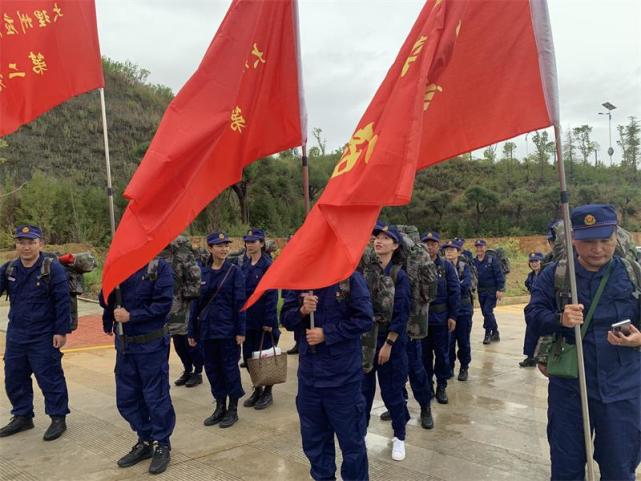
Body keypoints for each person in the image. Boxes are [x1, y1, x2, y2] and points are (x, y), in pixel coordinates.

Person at [525, 204, 641, 481]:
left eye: (605, 240)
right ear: (574, 240)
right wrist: (559, 319)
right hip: (570, 388)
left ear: (616, 237)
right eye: (589, 241)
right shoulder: (555, 275)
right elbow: (533, 313)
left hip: (622, 388)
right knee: (566, 469)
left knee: (619, 469)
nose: (598, 249)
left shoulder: (633, 273)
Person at [280, 271, 373, 481]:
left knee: (352, 444)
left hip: (342, 379)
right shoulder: (300, 279)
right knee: (315, 443)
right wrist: (302, 310)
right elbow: (286, 319)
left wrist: (327, 333)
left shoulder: (348, 278)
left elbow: (365, 319)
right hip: (310, 379)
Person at [99, 258, 176, 475]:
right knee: (127, 398)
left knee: (155, 397)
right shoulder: (119, 265)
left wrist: (132, 316)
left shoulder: (158, 268)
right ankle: (145, 439)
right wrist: (109, 286)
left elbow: (163, 305)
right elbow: (105, 300)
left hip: (151, 345)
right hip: (125, 346)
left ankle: (162, 444)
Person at [0, 225, 71, 441]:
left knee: (50, 378)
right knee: (14, 377)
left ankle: (58, 417)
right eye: (21, 242)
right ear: (16, 245)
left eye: (31, 242)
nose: (26, 247)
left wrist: (61, 331)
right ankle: (22, 416)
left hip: (44, 334)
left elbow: (62, 301)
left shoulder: (52, 268)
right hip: (17, 334)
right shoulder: (9, 268)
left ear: (40, 243)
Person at [361, 223, 411, 461]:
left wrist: (389, 344)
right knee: (363, 393)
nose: (378, 241)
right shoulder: (367, 272)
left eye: (385, 238)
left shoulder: (399, 275)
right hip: (366, 339)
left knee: (392, 393)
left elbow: (402, 313)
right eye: (377, 237)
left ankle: (399, 437)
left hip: (389, 341)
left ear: (395, 245)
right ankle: (360, 434)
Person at [188, 231, 246, 429]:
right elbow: (195, 305)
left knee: (230, 369)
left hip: (227, 331)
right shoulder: (202, 273)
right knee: (212, 370)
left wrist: (241, 331)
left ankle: (233, 409)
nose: (224, 249)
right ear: (210, 248)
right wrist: (192, 331)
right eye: (219, 246)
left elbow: (240, 303)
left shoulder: (234, 272)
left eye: (226, 245)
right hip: (206, 331)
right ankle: (220, 406)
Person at [241, 228, 279, 410]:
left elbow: (272, 294)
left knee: (265, 358)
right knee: (249, 357)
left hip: (263, 319)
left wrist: (269, 321)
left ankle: (267, 392)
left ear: (262, 244)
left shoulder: (267, 265)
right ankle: (257, 388)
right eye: (247, 241)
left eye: (253, 241)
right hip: (248, 319)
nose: (249, 245)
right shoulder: (245, 263)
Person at [158, 236, 204, 388]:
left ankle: (197, 371)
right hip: (165, 305)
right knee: (176, 341)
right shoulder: (155, 252)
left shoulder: (182, 252)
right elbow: (151, 276)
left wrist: (187, 295)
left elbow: (195, 275)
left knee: (187, 339)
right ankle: (187, 369)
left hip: (183, 304)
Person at [421, 232, 459, 405]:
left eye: (433, 244)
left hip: (441, 319)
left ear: (438, 246)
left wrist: (453, 316)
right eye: (426, 244)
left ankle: (441, 386)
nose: (430, 247)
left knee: (442, 355)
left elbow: (454, 291)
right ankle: (428, 385)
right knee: (424, 356)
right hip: (422, 320)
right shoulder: (417, 266)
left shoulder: (446, 267)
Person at [444, 240, 473, 382]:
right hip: (448, 309)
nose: (449, 252)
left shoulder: (464, 267)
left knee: (463, 341)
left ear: (459, 252)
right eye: (447, 250)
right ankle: (449, 367)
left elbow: (466, 285)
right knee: (449, 342)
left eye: (452, 249)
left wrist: (451, 287)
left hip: (463, 309)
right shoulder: (442, 267)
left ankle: (464, 367)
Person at [473, 239, 505, 344]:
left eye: (481, 247)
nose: (479, 249)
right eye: (477, 247)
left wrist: (500, 289)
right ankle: (495, 331)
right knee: (485, 313)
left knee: (487, 311)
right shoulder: (474, 261)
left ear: (485, 248)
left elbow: (499, 275)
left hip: (491, 291)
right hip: (480, 291)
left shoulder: (492, 260)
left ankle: (487, 334)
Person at [520, 251, 543, 368]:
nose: (534, 263)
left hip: (544, 307)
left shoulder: (546, 275)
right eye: (532, 261)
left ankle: (541, 357)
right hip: (533, 307)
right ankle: (530, 357)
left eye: (536, 261)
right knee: (530, 331)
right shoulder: (530, 277)